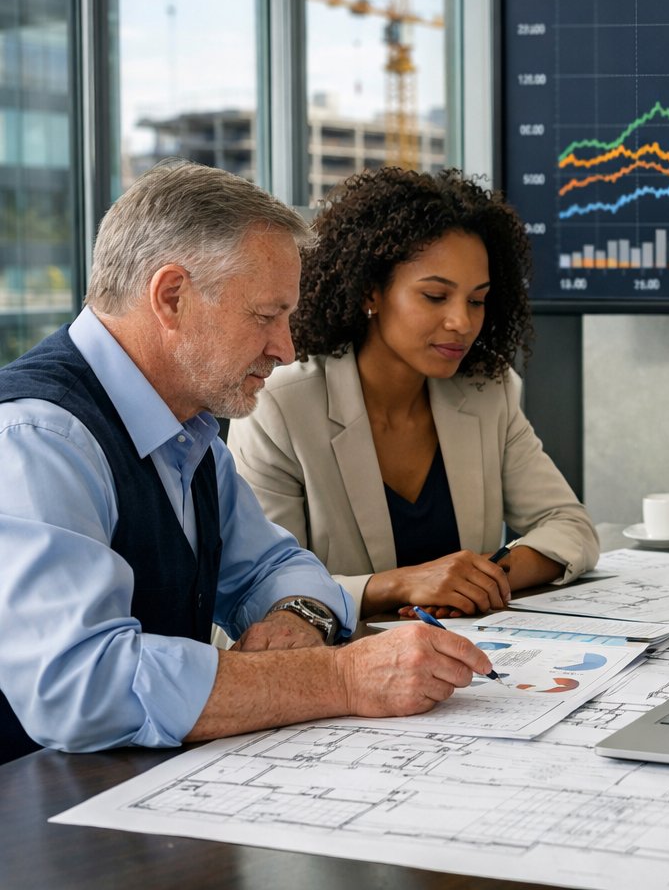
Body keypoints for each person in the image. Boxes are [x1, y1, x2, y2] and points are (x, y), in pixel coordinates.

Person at [0, 161, 495, 766]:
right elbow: (79, 687)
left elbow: (278, 565)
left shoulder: (189, 432)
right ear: (171, 296)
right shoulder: (37, 437)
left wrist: (298, 615)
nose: (285, 348)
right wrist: (339, 677)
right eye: (265, 316)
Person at [227, 167, 598, 619]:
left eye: (477, 300)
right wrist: (402, 585)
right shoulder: (282, 407)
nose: (462, 322)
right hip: (340, 669)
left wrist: (482, 580)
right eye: (436, 297)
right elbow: (263, 588)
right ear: (371, 292)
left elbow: (570, 527)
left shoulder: (487, 391)